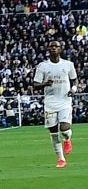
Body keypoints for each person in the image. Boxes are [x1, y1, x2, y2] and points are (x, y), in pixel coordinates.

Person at [32, 40, 78, 168]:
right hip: (50, 103)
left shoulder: (68, 65)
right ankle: (61, 159)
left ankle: (67, 140)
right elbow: (35, 85)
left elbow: (74, 81)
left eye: (56, 46)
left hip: (64, 101)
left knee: (64, 128)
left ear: (61, 49)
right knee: (53, 132)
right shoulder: (43, 66)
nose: (53, 48)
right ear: (48, 49)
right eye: (51, 46)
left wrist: (73, 90)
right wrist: (45, 84)